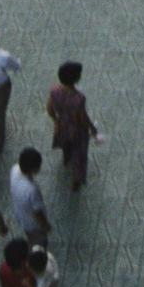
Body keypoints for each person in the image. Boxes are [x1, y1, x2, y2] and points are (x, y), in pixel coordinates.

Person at [45, 62, 99, 191]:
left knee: (66, 144)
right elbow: (82, 117)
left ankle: (66, 158)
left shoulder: (54, 91)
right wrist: (92, 127)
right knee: (80, 155)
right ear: (76, 78)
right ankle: (76, 180)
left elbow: (49, 107)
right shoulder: (79, 98)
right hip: (77, 130)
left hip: (62, 124)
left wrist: (55, 120)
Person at [8, 148, 50, 243]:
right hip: (33, 224)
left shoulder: (14, 169)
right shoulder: (32, 189)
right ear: (34, 168)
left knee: (30, 235)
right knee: (39, 242)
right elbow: (37, 211)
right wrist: (45, 225)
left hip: (22, 215)